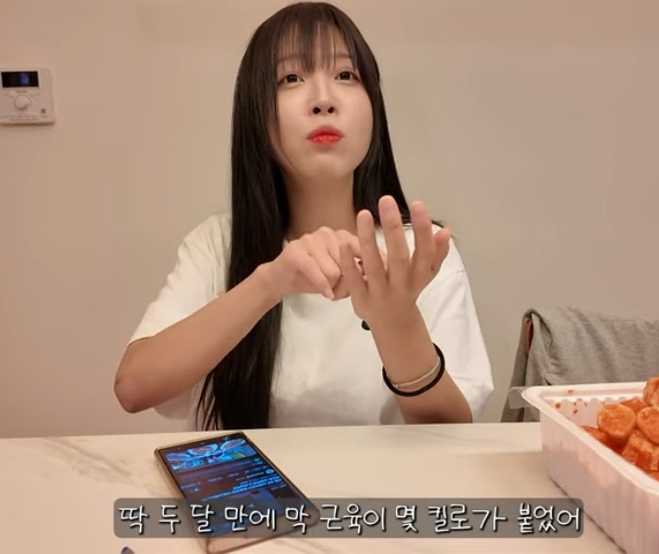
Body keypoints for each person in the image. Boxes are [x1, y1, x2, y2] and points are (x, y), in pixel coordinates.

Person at [115, 1, 493, 431]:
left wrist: (396, 324)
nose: (324, 100)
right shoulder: (217, 244)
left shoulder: (417, 252)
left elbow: (452, 430)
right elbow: (134, 388)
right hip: (249, 479)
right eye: (291, 78)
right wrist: (270, 282)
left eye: (346, 75)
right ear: (256, 112)